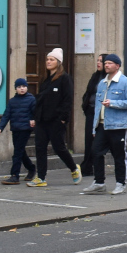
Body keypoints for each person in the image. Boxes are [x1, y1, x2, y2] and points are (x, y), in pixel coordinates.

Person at [84, 53, 127, 195]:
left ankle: (121, 183)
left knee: (119, 155)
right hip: (102, 125)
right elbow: (97, 106)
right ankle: (99, 182)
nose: (106, 65)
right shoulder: (101, 83)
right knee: (95, 152)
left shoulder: (126, 82)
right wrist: (95, 126)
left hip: (118, 125)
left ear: (117, 65)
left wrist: (113, 103)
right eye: (105, 63)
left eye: (109, 63)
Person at [30, 49, 78, 186]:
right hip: (42, 120)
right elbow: (40, 100)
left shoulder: (64, 78)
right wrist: (35, 117)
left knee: (59, 147)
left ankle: (74, 168)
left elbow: (68, 100)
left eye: (52, 60)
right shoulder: (45, 80)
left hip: (56, 120)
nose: (48, 62)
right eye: (47, 59)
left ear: (58, 62)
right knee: (40, 147)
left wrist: (63, 118)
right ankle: (41, 177)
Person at [0, 78, 37, 184]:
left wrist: (33, 119)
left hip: (25, 129)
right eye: (19, 87)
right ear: (15, 89)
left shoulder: (31, 99)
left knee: (17, 153)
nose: (22, 89)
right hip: (15, 129)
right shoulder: (12, 101)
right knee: (21, 152)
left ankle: (15, 175)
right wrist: (0, 128)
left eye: (23, 86)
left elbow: (35, 111)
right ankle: (31, 168)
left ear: (26, 87)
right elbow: (6, 115)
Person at [79, 54, 106, 184]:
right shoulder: (95, 76)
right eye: (98, 60)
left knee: (109, 140)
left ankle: (126, 161)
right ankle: (87, 166)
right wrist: (85, 104)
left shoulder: (107, 78)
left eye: (101, 61)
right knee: (89, 139)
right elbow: (89, 92)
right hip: (91, 111)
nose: (98, 63)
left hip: (103, 113)